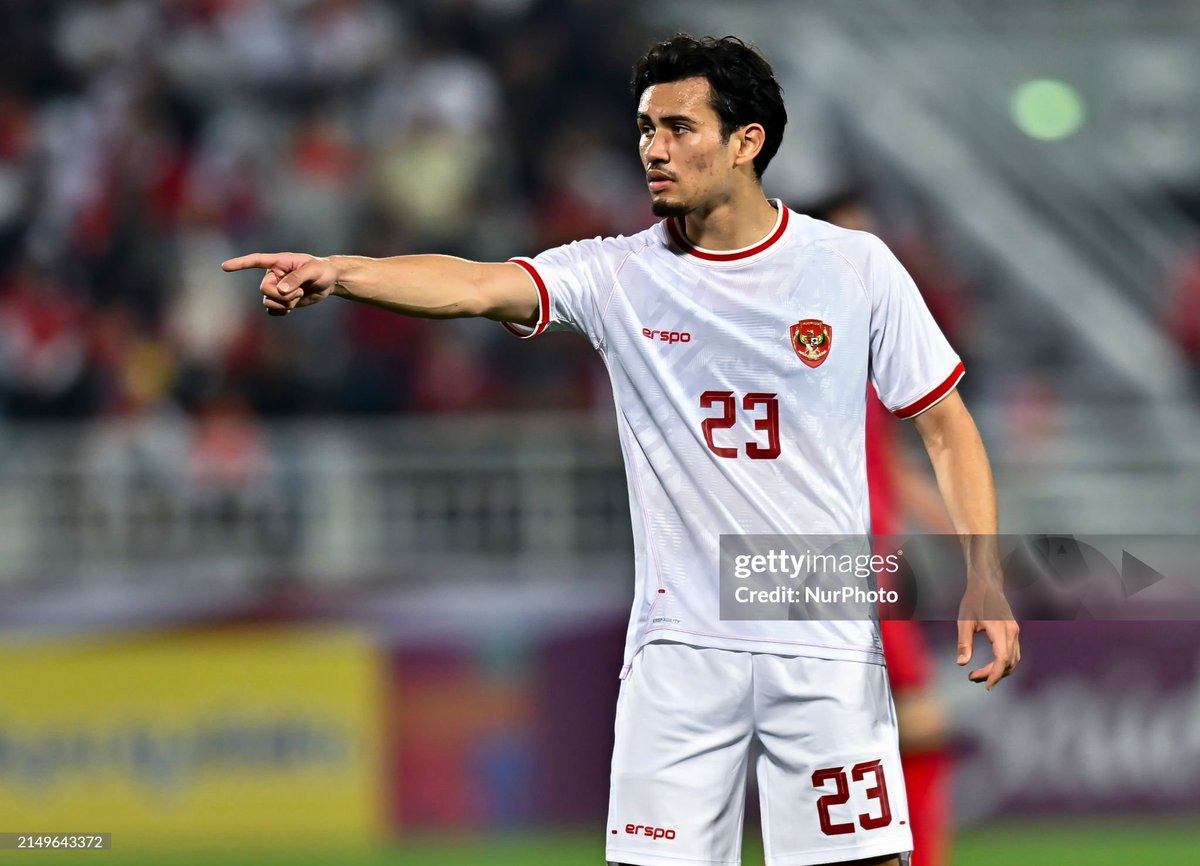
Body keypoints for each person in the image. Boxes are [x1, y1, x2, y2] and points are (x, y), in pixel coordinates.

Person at [223, 34, 1020, 866]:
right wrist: (340, 271)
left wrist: (985, 576)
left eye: (679, 127)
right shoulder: (616, 275)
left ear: (747, 142)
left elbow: (946, 425)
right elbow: (474, 284)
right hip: (678, 650)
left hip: (817, 638)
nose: (653, 148)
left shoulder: (853, 268)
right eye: (645, 128)